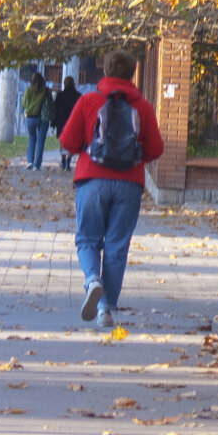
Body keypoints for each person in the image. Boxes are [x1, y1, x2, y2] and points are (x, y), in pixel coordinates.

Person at [59, 50, 164, 328]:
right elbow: (156, 149)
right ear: (132, 74)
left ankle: (93, 279)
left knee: (87, 239)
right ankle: (106, 310)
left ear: (105, 71)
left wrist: (83, 147)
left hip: (91, 180)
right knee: (117, 246)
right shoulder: (143, 107)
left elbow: (68, 141)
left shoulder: (89, 100)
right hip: (130, 183)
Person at [21, 71, 54, 170]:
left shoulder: (28, 90)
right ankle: (37, 165)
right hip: (44, 118)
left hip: (31, 117)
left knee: (32, 138)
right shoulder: (46, 91)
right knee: (40, 141)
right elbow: (51, 103)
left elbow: (24, 103)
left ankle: (30, 161)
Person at [53, 75, 82, 170]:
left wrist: (54, 122)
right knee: (72, 141)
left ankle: (63, 160)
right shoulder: (78, 95)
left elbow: (55, 109)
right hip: (74, 121)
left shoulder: (60, 95)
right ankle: (69, 161)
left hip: (62, 122)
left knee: (62, 141)